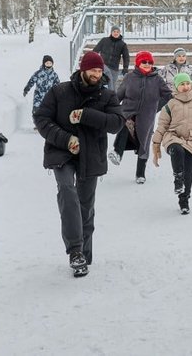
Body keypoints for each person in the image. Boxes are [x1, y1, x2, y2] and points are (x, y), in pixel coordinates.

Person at [34, 50, 124, 277]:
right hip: (62, 153)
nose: (97, 74)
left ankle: (85, 253)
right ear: (83, 69)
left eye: (99, 70)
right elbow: (41, 118)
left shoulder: (107, 96)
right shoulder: (60, 91)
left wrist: (86, 115)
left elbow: (116, 123)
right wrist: (66, 139)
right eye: (93, 69)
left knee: (86, 204)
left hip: (91, 155)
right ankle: (75, 251)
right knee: (67, 192)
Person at [151, 73, 192, 215]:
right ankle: (178, 178)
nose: (185, 86)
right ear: (176, 87)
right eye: (182, 84)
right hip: (173, 137)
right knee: (177, 150)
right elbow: (162, 126)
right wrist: (156, 144)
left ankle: (184, 200)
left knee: (189, 172)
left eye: (187, 83)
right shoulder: (170, 105)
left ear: (191, 85)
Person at [112, 50, 172, 184]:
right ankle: (117, 153)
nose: (147, 64)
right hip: (128, 112)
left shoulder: (157, 79)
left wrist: (157, 107)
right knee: (124, 128)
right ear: (138, 63)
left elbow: (168, 96)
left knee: (143, 144)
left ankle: (140, 173)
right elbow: (119, 95)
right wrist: (112, 106)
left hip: (146, 116)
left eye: (149, 62)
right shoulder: (129, 77)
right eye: (144, 62)